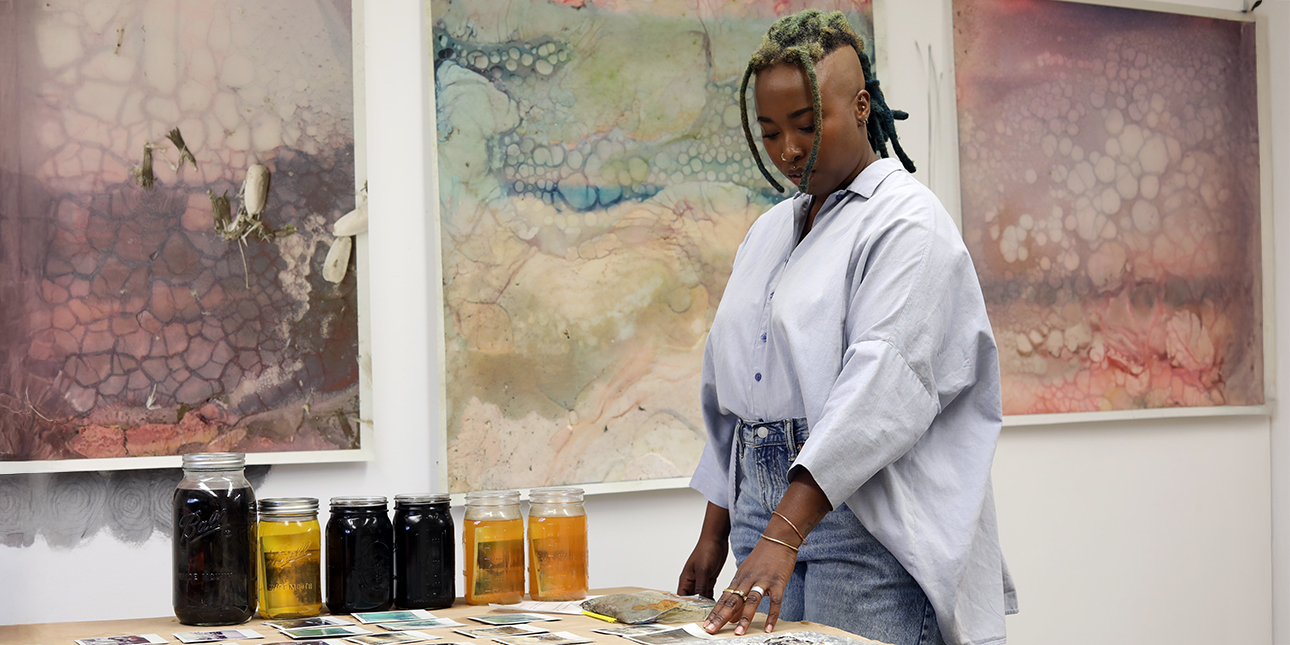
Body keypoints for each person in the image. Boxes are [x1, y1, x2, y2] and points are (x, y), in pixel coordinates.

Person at [678, 10, 1017, 645]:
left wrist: (785, 529)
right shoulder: (770, 230)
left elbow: (881, 388)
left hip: (863, 517)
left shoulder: (908, 223)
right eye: (770, 130)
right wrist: (715, 532)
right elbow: (736, 389)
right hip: (761, 507)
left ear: (861, 106)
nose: (788, 149)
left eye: (808, 125)